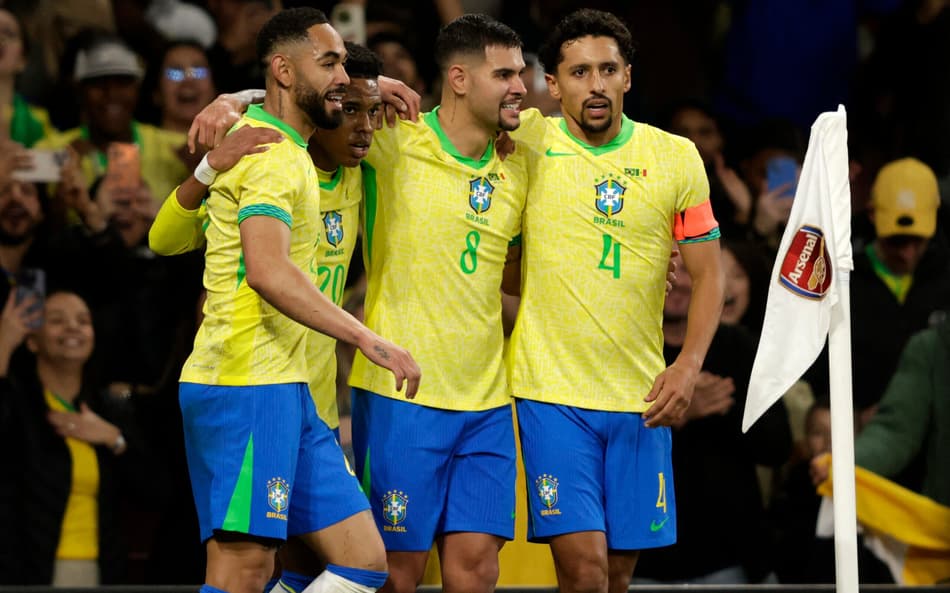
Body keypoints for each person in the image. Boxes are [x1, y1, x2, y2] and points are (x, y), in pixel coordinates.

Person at [176, 9, 418, 593]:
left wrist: (363, 84)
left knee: (363, 560)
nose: (341, 78)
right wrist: (367, 339)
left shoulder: (308, 156)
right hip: (247, 379)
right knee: (245, 569)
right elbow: (265, 270)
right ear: (286, 71)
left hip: (295, 391)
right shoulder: (268, 154)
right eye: (330, 64)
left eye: (343, 66)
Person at [505, 10, 724, 593]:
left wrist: (687, 366)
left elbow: (709, 275)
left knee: (618, 576)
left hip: (640, 396)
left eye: (607, 69)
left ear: (628, 76)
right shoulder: (526, 141)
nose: (595, 84)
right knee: (584, 569)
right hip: (550, 393)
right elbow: (446, 126)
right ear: (552, 85)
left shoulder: (676, 156)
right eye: (579, 72)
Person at [633, 253, 790, 585]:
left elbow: (778, 446)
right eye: (669, 267)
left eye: (689, 270)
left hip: (731, 558)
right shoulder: (623, 349)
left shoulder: (738, 347)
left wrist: (725, 408)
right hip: (640, 559)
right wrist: (676, 412)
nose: (680, 281)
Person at [0, 290, 156, 585]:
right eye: (56, 320)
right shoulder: (19, 405)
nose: (73, 327)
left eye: (83, 321)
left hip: (102, 572)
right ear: (32, 341)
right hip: (27, 573)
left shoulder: (108, 410)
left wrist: (114, 438)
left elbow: (155, 490)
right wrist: (3, 344)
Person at [36, 33, 190, 207]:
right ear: (80, 91)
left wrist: (199, 166)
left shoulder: (174, 149)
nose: (112, 94)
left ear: (138, 89)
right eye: (98, 83)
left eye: (123, 82)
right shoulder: (54, 151)